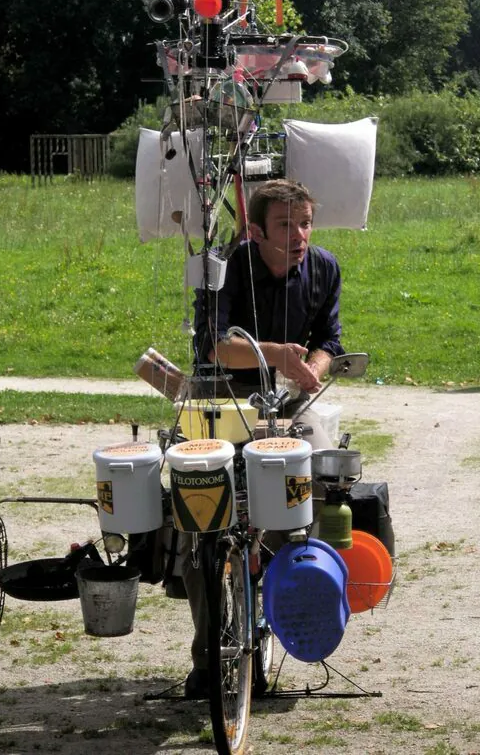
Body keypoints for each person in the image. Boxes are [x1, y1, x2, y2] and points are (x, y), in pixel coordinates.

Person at [182, 179, 346, 697]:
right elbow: (212, 345)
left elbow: (329, 340)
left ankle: (271, 628)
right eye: (284, 225)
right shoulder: (224, 267)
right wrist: (277, 355)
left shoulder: (324, 267)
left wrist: (310, 370)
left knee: (294, 516)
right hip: (222, 401)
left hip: (289, 403)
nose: (299, 235)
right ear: (254, 230)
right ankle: (208, 656)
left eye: (305, 223)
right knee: (203, 524)